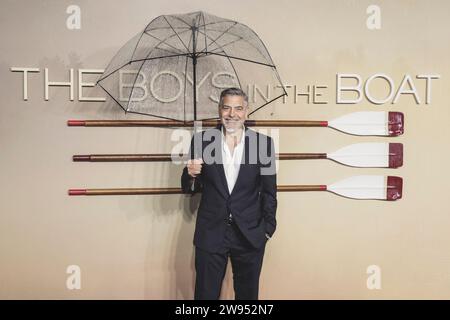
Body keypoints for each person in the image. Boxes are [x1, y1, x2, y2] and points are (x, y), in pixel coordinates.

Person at [181, 87, 277, 300]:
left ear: (246, 112)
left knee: (247, 298)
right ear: (219, 110)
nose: (232, 114)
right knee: (205, 297)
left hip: (250, 235)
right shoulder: (202, 141)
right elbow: (189, 188)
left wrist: (267, 229)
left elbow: (270, 192)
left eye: (238, 108)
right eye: (227, 108)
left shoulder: (264, 145)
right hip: (211, 233)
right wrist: (191, 175)